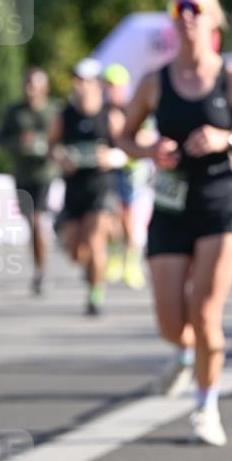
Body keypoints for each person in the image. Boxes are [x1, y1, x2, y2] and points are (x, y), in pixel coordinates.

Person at [119, 0, 232, 445]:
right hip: (170, 204)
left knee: (205, 312)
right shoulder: (154, 81)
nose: (185, 15)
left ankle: (206, 407)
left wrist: (226, 138)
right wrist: (150, 151)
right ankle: (185, 355)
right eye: (177, 8)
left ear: (213, 19)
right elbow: (124, 138)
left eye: (194, 7)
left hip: (220, 204)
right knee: (171, 319)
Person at [49, 58, 126, 316]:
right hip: (73, 187)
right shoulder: (64, 115)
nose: (80, 85)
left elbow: (130, 150)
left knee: (95, 243)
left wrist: (112, 157)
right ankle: (94, 270)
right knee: (76, 251)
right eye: (77, 80)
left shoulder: (110, 116)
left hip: (101, 186)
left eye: (86, 80)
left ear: (97, 84)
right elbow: (51, 147)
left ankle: (96, 294)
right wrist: (60, 156)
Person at [0, 68, 59, 295]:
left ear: (44, 87)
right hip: (22, 175)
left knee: (37, 220)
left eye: (35, 84)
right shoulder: (14, 112)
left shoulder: (54, 110)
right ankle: (39, 268)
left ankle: (41, 270)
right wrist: (19, 142)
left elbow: (62, 138)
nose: (31, 89)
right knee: (30, 224)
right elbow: (1, 140)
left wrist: (47, 144)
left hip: (46, 173)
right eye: (27, 84)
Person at [101, 63, 147, 291]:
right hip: (106, 172)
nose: (109, 90)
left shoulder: (133, 108)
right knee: (109, 217)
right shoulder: (100, 110)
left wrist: (124, 154)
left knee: (128, 218)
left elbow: (147, 138)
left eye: (113, 85)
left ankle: (132, 262)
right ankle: (115, 255)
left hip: (129, 171)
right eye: (106, 85)